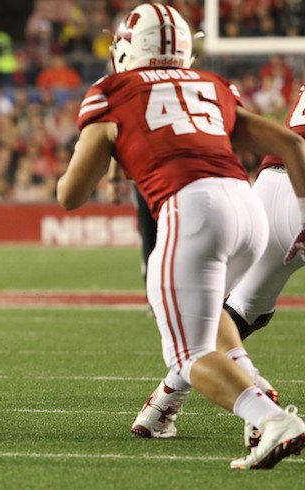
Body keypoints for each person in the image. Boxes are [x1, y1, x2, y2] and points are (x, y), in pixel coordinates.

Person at [56, 3, 305, 469]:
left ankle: (269, 417)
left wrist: (92, 151)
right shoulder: (212, 84)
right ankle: (251, 387)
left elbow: (71, 195)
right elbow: (291, 143)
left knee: (190, 353)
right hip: (249, 209)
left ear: (128, 48)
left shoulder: (112, 90)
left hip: (193, 209)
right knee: (212, 319)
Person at [132, 84, 305, 447]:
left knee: (243, 309)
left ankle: (164, 402)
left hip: (274, 183)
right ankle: (256, 401)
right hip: (292, 176)